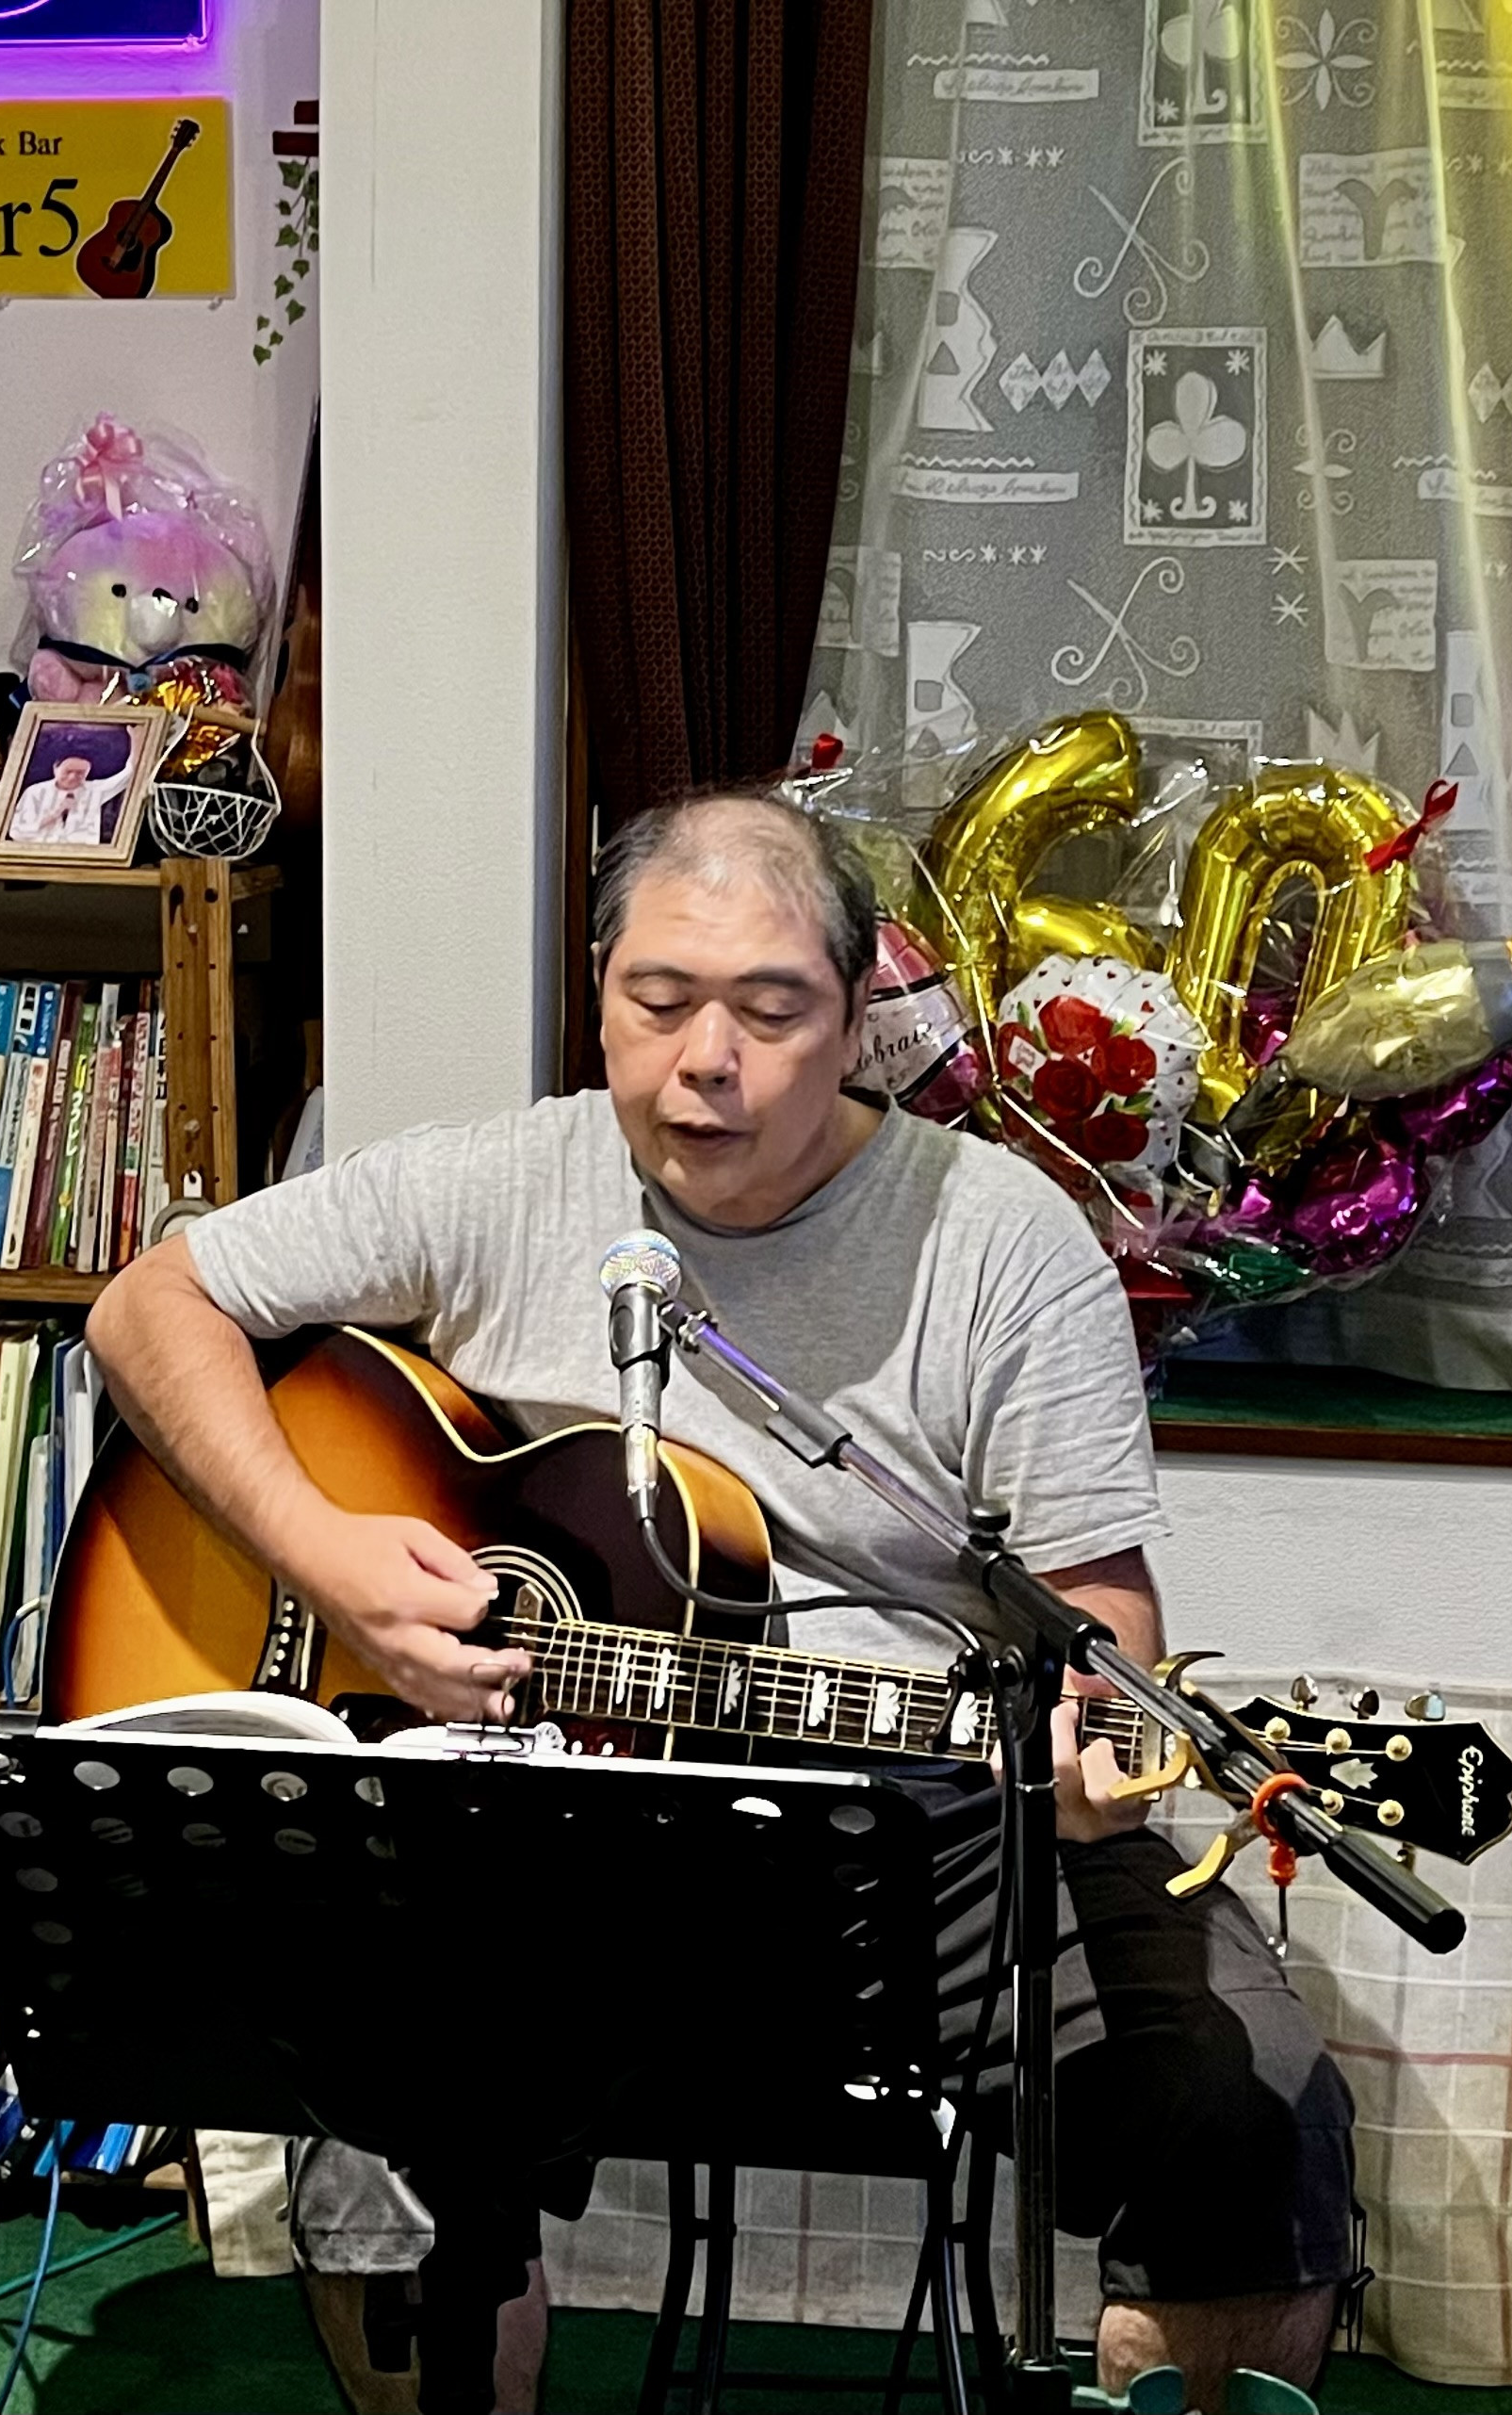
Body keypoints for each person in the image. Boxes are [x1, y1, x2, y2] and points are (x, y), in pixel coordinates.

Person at [88, 793, 1358, 2414]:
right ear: (598, 994)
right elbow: (153, 1303)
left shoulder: (999, 1241)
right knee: (375, 2072)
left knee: (1242, 2105)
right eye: (660, 1000)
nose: (708, 1060)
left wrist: (1088, 1761)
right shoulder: (500, 1179)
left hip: (921, 1822)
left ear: (855, 1016)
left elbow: (1097, 1629)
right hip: (538, 1830)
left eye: (770, 1009)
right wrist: (320, 1550)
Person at [7, 740, 131, 847]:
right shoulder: (35, 792)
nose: (72, 777)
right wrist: (54, 814)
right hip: (40, 854)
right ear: (56, 768)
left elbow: (129, 774)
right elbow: (17, 832)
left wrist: (136, 740)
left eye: (80, 773)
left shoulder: (95, 790)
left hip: (83, 856)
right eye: (68, 771)